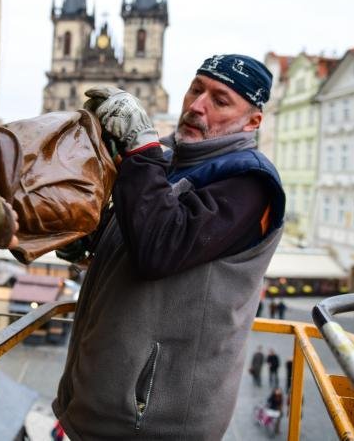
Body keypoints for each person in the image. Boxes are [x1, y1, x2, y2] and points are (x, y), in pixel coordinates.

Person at [52, 54, 286, 439]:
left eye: (220, 100)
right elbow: (135, 236)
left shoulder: (249, 183)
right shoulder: (166, 158)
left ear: (253, 120)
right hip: (95, 402)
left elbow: (159, 247)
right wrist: (84, 238)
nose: (197, 106)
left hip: (150, 422)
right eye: (196, 89)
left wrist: (139, 151)